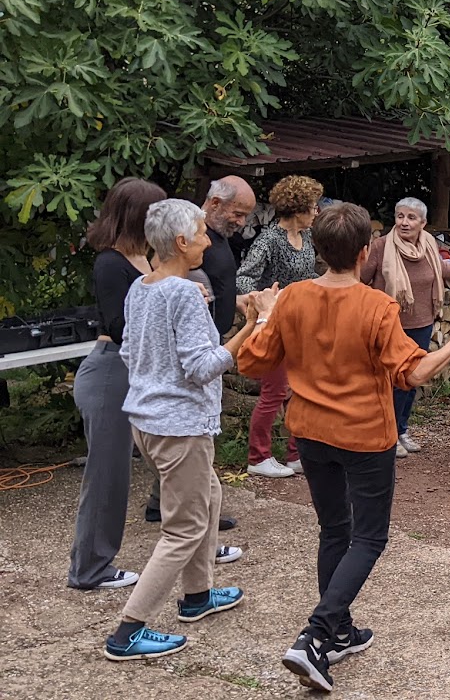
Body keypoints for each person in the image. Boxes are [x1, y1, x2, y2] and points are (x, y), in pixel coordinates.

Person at [237, 203, 450, 693]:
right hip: (365, 435)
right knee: (368, 537)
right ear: (365, 251)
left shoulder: (291, 299)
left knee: (334, 529)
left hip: (309, 432)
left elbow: (250, 362)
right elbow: (411, 373)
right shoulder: (376, 306)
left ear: (318, 252)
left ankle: (341, 630)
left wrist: (263, 316)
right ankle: (317, 633)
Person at [103, 198, 275, 661]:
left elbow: (128, 354)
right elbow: (205, 367)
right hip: (179, 426)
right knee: (183, 528)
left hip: (148, 420)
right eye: (201, 232)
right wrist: (256, 320)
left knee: (210, 496)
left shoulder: (142, 286)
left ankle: (198, 595)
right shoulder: (182, 293)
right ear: (180, 242)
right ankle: (128, 631)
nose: (207, 240)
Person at [69, 178, 165, 592]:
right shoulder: (111, 263)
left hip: (134, 372)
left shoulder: (146, 259)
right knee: (107, 476)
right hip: (111, 373)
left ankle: (194, 545)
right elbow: (119, 326)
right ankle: (88, 569)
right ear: (138, 217)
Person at [145, 175, 257, 529]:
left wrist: (235, 301)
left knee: (197, 433)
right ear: (214, 204)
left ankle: (161, 502)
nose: (241, 222)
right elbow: (161, 271)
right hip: (198, 344)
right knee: (195, 432)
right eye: (237, 213)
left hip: (211, 332)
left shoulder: (215, 238)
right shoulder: (187, 237)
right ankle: (195, 512)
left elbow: (216, 283)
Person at [363, 197, 450, 451]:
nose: (404, 223)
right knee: (393, 382)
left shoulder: (428, 245)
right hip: (390, 324)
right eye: (400, 216)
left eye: (411, 218)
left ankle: (402, 430)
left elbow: (440, 269)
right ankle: (389, 435)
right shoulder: (381, 247)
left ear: (423, 223)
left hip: (422, 322)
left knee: (413, 380)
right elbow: (360, 278)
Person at [237, 174, 323, 479]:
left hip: (304, 325)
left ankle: (296, 455)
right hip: (276, 327)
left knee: (302, 390)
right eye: (313, 207)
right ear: (297, 208)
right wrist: (267, 299)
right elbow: (244, 278)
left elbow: (309, 272)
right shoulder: (269, 240)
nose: (316, 212)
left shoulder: (308, 238)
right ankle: (257, 456)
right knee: (274, 392)